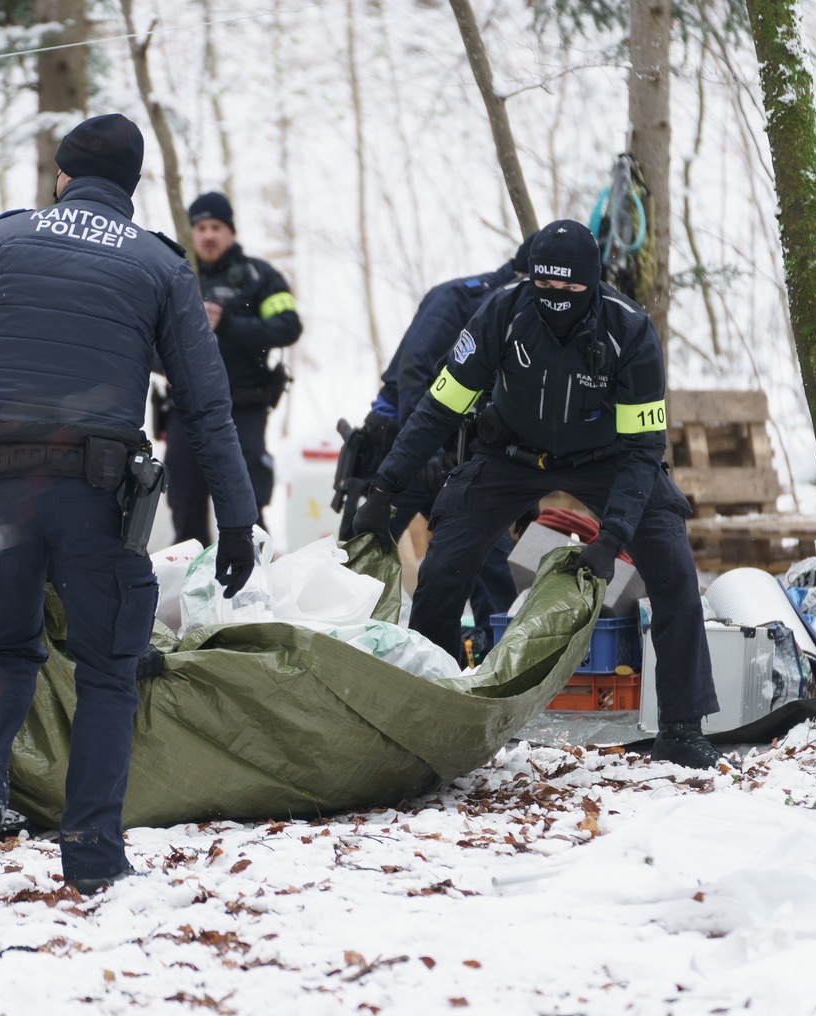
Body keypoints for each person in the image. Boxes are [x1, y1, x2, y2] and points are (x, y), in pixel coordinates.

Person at [0, 114, 258, 893]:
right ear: (130, 189)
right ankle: (92, 853)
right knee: (106, 666)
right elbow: (206, 405)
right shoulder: (160, 266)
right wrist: (236, 517)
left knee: (0, 652)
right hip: (94, 496)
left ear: (62, 176)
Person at [348, 220, 722, 769]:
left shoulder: (630, 330)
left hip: (608, 458)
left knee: (672, 566)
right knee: (445, 567)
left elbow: (643, 450)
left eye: (572, 292)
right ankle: (439, 712)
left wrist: (613, 535)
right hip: (510, 455)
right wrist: (385, 486)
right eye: (547, 290)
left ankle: (683, 726)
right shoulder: (502, 313)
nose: (558, 302)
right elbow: (441, 404)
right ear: (531, 281)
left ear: (593, 286)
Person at [341, 236, 533, 623]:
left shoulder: (526, 319)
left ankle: (491, 657)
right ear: (522, 276)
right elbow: (415, 375)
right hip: (401, 442)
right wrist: (424, 453)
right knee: (362, 557)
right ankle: (338, 638)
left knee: (487, 559)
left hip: (456, 453)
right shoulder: (454, 302)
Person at [162, 191, 300, 545]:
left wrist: (229, 324)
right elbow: (149, 341)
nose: (208, 235)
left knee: (247, 505)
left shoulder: (260, 276)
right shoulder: (174, 275)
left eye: (216, 226)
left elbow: (288, 326)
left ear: (231, 231)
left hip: (245, 406)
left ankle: (255, 585)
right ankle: (191, 590)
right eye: (201, 227)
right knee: (186, 505)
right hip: (186, 410)